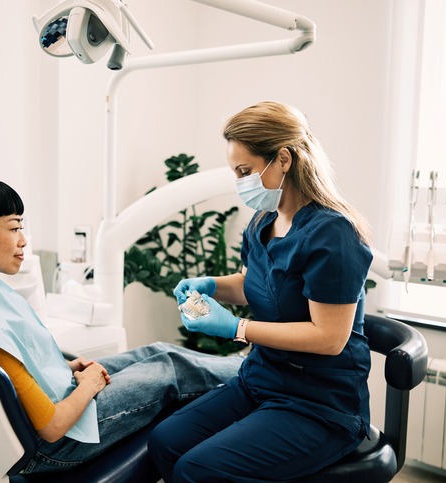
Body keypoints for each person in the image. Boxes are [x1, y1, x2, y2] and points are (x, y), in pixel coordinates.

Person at [0, 176, 242, 474]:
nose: (23, 241)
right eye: (14, 228)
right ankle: (252, 372)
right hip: (52, 446)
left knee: (157, 352)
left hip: (36, 416)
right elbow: (52, 426)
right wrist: (89, 384)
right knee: (171, 368)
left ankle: (243, 366)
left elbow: (11, 366)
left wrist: (63, 365)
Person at [148, 101, 374, 482]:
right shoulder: (263, 222)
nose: (240, 183)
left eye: (245, 171)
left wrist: (238, 329)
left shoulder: (333, 233)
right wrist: (211, 286)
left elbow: (330, 337)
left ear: (283, 158)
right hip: (261, 380)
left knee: (198, 470)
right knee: (166, 441)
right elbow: (254, 283)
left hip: (320, 404)